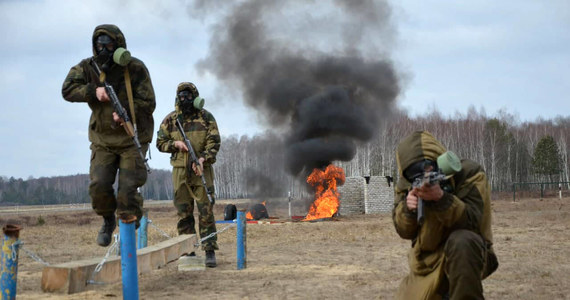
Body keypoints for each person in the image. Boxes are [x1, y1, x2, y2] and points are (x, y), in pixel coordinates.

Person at [62, 24, 155, 247]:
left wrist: (126, 112)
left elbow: (149, 102)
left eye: (109, 45)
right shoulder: (88, 67)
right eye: (99, 45)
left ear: (119, 45)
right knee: (99, 186)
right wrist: (93, 92)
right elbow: (67, 89)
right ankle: (107, 220)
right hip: (103, 140)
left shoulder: (135, 68)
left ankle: (131, 219)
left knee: (127, 192)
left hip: (132, 139)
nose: (104, 49)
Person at [392, 131, 498, 299]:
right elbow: (404, 231)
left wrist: (442, 199)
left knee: (461, 241)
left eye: (428, 166)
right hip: (427, 261)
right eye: (416, 171)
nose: (425, 173)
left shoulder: (469, 173)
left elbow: (474, 222)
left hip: (471, 253)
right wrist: (408, 210)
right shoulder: (406, 185)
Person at [156, 82, 220, 267]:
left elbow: (214, 142)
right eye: (182, 96)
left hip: (202, 169)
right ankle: (187, 250)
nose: (185, 99)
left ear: (195, 97)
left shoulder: (206, 118)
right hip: (180, 171)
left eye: (188, 96)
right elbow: (160, 142)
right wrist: (174, 145)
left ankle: (209, 250)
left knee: (205, 210)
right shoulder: (171, 120)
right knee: (183, 212)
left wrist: (203, 159)